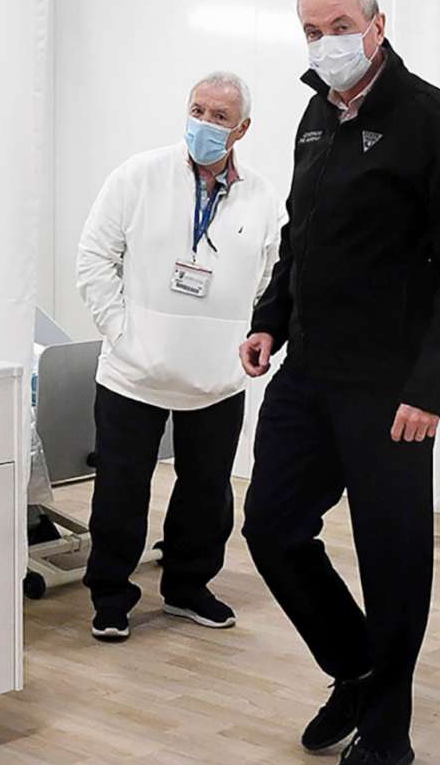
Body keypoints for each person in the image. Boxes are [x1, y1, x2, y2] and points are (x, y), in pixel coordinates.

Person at [240, 0, 440, 765]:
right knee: (271, 527)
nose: (326, 42)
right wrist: (271, 317)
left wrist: (432, 389)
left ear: (377, 25)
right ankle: (357, 672)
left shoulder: (430, 120)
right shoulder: (315, 116)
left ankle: (389, 731)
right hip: (308, 372)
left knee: (393, 557)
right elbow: (298, 234)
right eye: (311, 30)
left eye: (339, 24)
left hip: (390, 389)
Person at [74, 70, 283, 643]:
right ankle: (111, 596)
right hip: (132, 372)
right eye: (198, 110)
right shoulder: (138, 175)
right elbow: (93, 259)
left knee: (207, 489)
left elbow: (271, 275)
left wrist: (244, 334)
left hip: (217, 377)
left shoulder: (262, 196)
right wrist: (120, 333)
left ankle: (188, 586)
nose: (205, 124)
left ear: (242, 129)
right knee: (120, 489)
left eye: (220, 117)